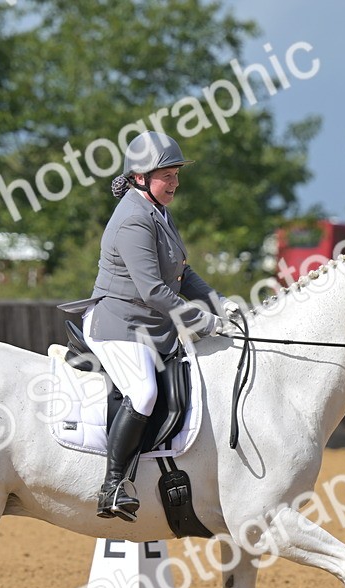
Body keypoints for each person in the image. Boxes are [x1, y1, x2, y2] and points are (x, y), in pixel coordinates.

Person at [59, 131, 233, 521]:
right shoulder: (133, 219)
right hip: (119, 324)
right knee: (143, 392)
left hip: (151, 327)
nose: (174, 183)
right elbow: (154, 290)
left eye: (175, 174)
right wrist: (202, 320)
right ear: (140, 177)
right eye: (166, 176)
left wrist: (220, 304)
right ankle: (114, 485)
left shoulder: (159, 213)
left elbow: (182, 275)